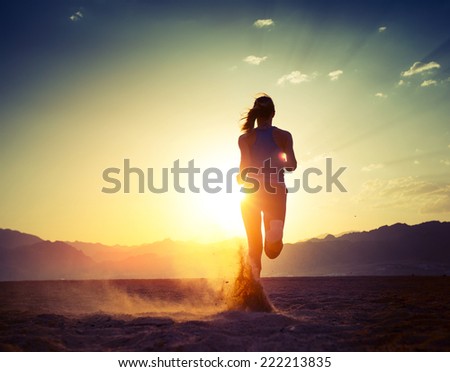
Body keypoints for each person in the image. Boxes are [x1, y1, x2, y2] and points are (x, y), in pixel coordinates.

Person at [238, 94, 297, 280]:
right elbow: (292, 166)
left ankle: (253, 290)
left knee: (254, 247)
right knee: (272, 251)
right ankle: (275, 233)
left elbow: (243, 172)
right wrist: (280, 162)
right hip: (276, 192)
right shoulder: (284, 136)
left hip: (250, 194)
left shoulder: (244, 139)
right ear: (274, 113)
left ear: (255, 114)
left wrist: (241, 178)